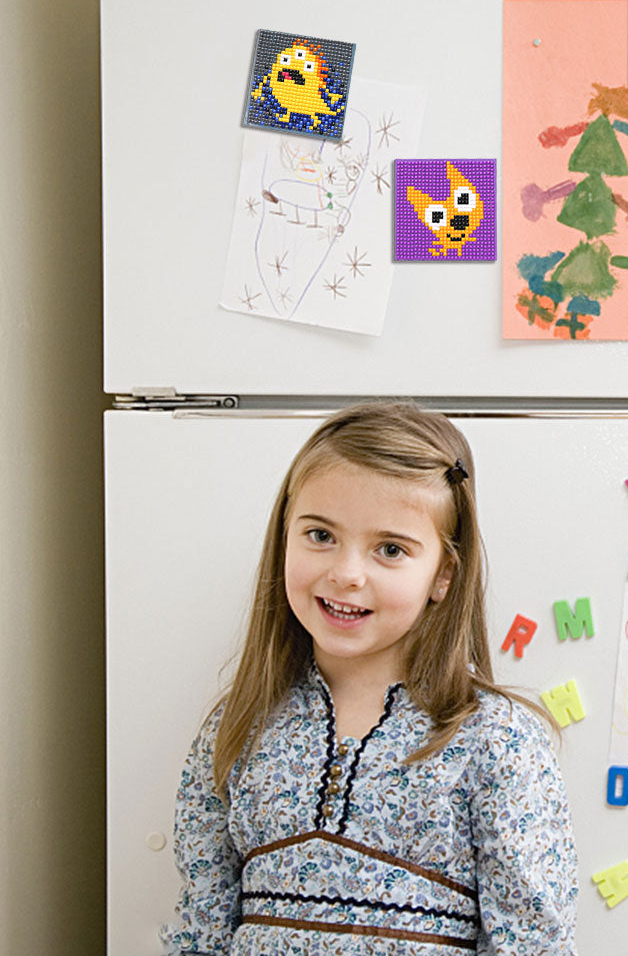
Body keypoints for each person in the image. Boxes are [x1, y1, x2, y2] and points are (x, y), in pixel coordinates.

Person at [160, 402, 578, 955]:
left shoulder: (496, 740)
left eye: (390, 549)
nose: (347, 573)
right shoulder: (237, 727)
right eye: (320, 535)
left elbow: (533, 943)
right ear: (284, 538)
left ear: (443, 575)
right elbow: (201, 930)